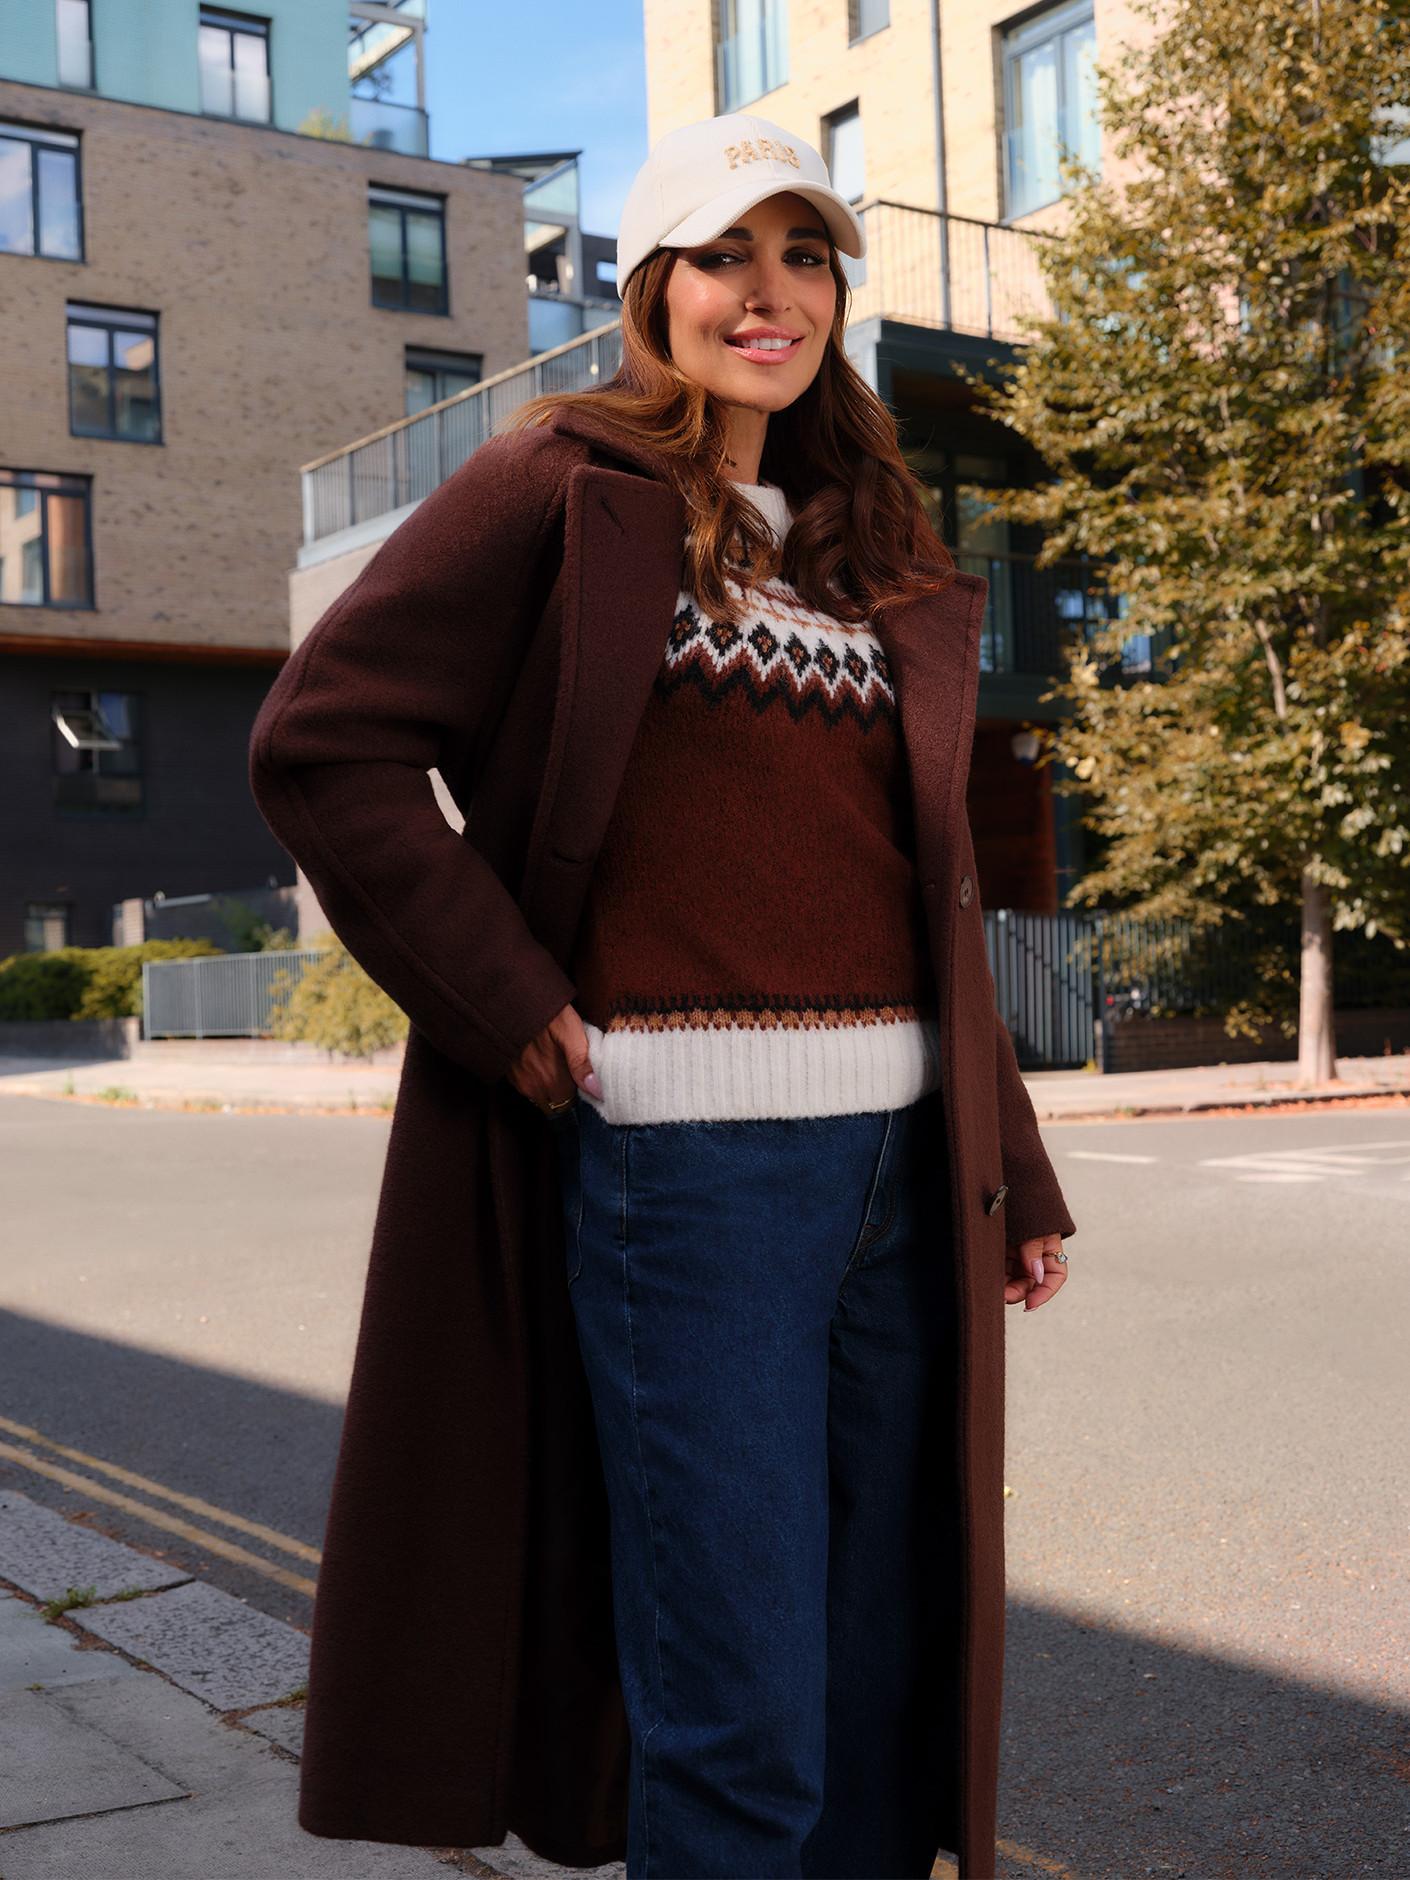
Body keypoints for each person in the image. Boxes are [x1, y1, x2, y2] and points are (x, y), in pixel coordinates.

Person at [491, 111, 1076, 1878]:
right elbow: (327, 745)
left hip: (901, 1172)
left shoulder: (864, 545)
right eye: (725, 254)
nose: (769, 293)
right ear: (652, 289)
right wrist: (515, 998)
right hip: (693, 1181)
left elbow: (933, 899)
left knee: (878, 1671)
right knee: (735, 1697)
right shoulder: (565, 487)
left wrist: (1016, 1170)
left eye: (803, 253)